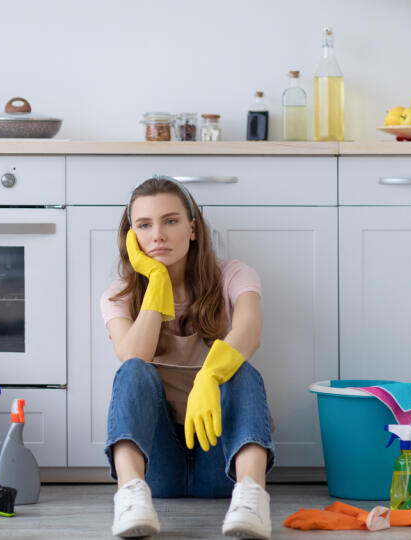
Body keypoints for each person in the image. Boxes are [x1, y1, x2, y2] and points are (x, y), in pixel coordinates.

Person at [100, 176, 275, 538]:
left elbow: (250, 332)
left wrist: (209, 376)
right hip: (158, 466)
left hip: (221, 459)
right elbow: (133, 356)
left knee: (243, 370)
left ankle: (251, 498)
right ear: (132, 237)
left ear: (193, 229)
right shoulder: (118, 295)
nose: (158, 235)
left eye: (171, 221)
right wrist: (157, 281)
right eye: (144, 225)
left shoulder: (233, 276)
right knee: (133, 370)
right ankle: (130, 496)